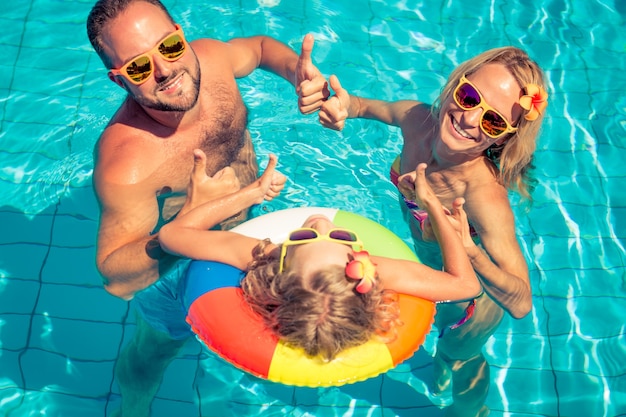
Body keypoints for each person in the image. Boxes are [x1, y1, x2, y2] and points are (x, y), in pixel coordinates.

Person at [86, 0, 328, 415]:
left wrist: (296, 73)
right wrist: (187, 222)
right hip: (176, 267)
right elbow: (115, 278)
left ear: (181, 34)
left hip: (250, 225)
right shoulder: (127, 164)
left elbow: (260, 46)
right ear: (119, 80)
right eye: (139, 67)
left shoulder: (211, 60)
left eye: (169, 46)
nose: (164, 70)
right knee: (154, 355)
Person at [316, 46, 548, 416]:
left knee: (458, 359)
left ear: (502, 138)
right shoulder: (418, 120)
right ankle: (437, 375)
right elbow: (361, 105)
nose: (469, 119)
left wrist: (469, 251)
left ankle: (470, 412)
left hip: (469, 305)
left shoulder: (482, 196)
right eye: (469, 97)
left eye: (491, 122)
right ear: (457, 84)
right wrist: (342, 107)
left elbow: (521, 303)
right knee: (434, 356)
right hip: (429, 276)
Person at [159, 150, 482, 362]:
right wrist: (434, 211)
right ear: (359, 258)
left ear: (281, 262)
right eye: (341, 237)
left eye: (304, 236)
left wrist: (252, 194)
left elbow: (171, 236)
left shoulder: (265, 256)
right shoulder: (372, 271)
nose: (322, 223)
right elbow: (465, 285)